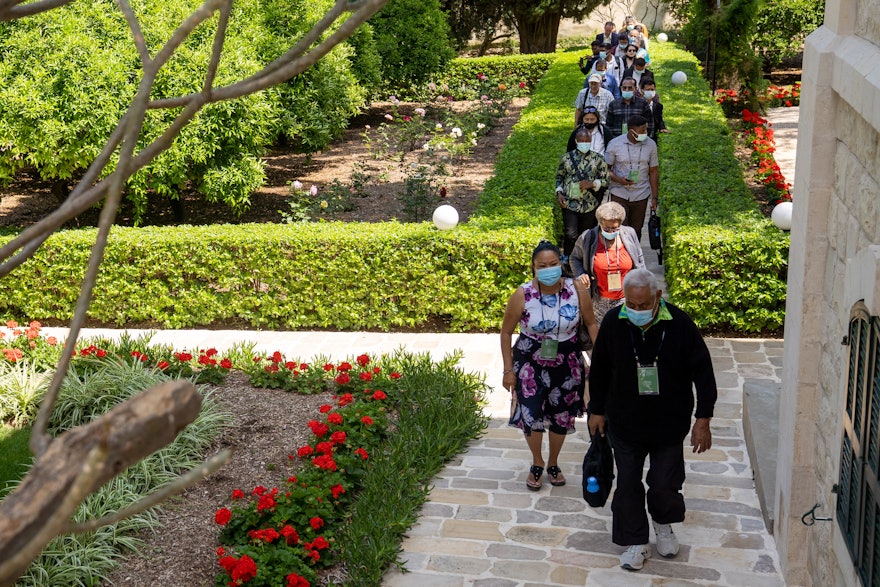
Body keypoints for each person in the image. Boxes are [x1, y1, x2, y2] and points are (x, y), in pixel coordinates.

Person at [587, 268, 717, 571]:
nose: (636, 311)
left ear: (658, 297)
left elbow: (704, 371)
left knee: (664, 482)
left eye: (644, 306)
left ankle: (663, 524)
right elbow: (601, 369)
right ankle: (635, 541)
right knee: (628, 483)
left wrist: (703, 418)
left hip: (668, 423)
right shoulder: (613, 322)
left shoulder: (680, 323)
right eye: (631, 305)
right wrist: (596, 409)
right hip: (624, 421)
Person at [501, 241, 599, 491]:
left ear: (561, 263)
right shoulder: (523, 293)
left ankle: (554, 462)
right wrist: (508, 370)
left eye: (553, 264)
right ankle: (537, 461)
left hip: (567, 360)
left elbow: (590, 323)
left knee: (561, 414)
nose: (548, 269)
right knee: (530, 413)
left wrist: (600, 355)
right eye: (541, 266)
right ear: (533, 268)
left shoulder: (576, 289)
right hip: (530, 360)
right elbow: (506, 332)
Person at [570, 201, 645, 324]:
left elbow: (639, 259)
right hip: (599, 300)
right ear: (600, 223)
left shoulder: (630, 234)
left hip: (626, 298)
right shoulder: (587, 237)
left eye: (614, 228)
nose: (610, 232)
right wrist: (580, 274)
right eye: (606, 228)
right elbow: (574, 258)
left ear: (620, 224)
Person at [605, 114, 659, 241]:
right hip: (619, 192)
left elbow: (653, 171)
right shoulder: (615, 144)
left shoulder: (651, 145)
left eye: (646, 129)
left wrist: (655, 197)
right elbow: (605, 170)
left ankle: (634, 257)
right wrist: (619, 180)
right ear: (631, 131)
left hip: (641, 193)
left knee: (636, 230)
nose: (645, 133)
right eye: (642, 131)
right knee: (619, 228)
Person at [555, 127, 608, 255]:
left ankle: (585, 261)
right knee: (570, 234)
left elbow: (606, 180)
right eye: (581, 140)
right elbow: (559, 177)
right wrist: (559, 192)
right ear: (576, 141)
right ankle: (568, 260)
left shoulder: (598, 159)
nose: (584, 142)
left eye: (586, 140)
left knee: (586, 235)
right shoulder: (566, 158)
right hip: (569, 202)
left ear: (590, 141)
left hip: (589, 204)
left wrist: (592, 184)